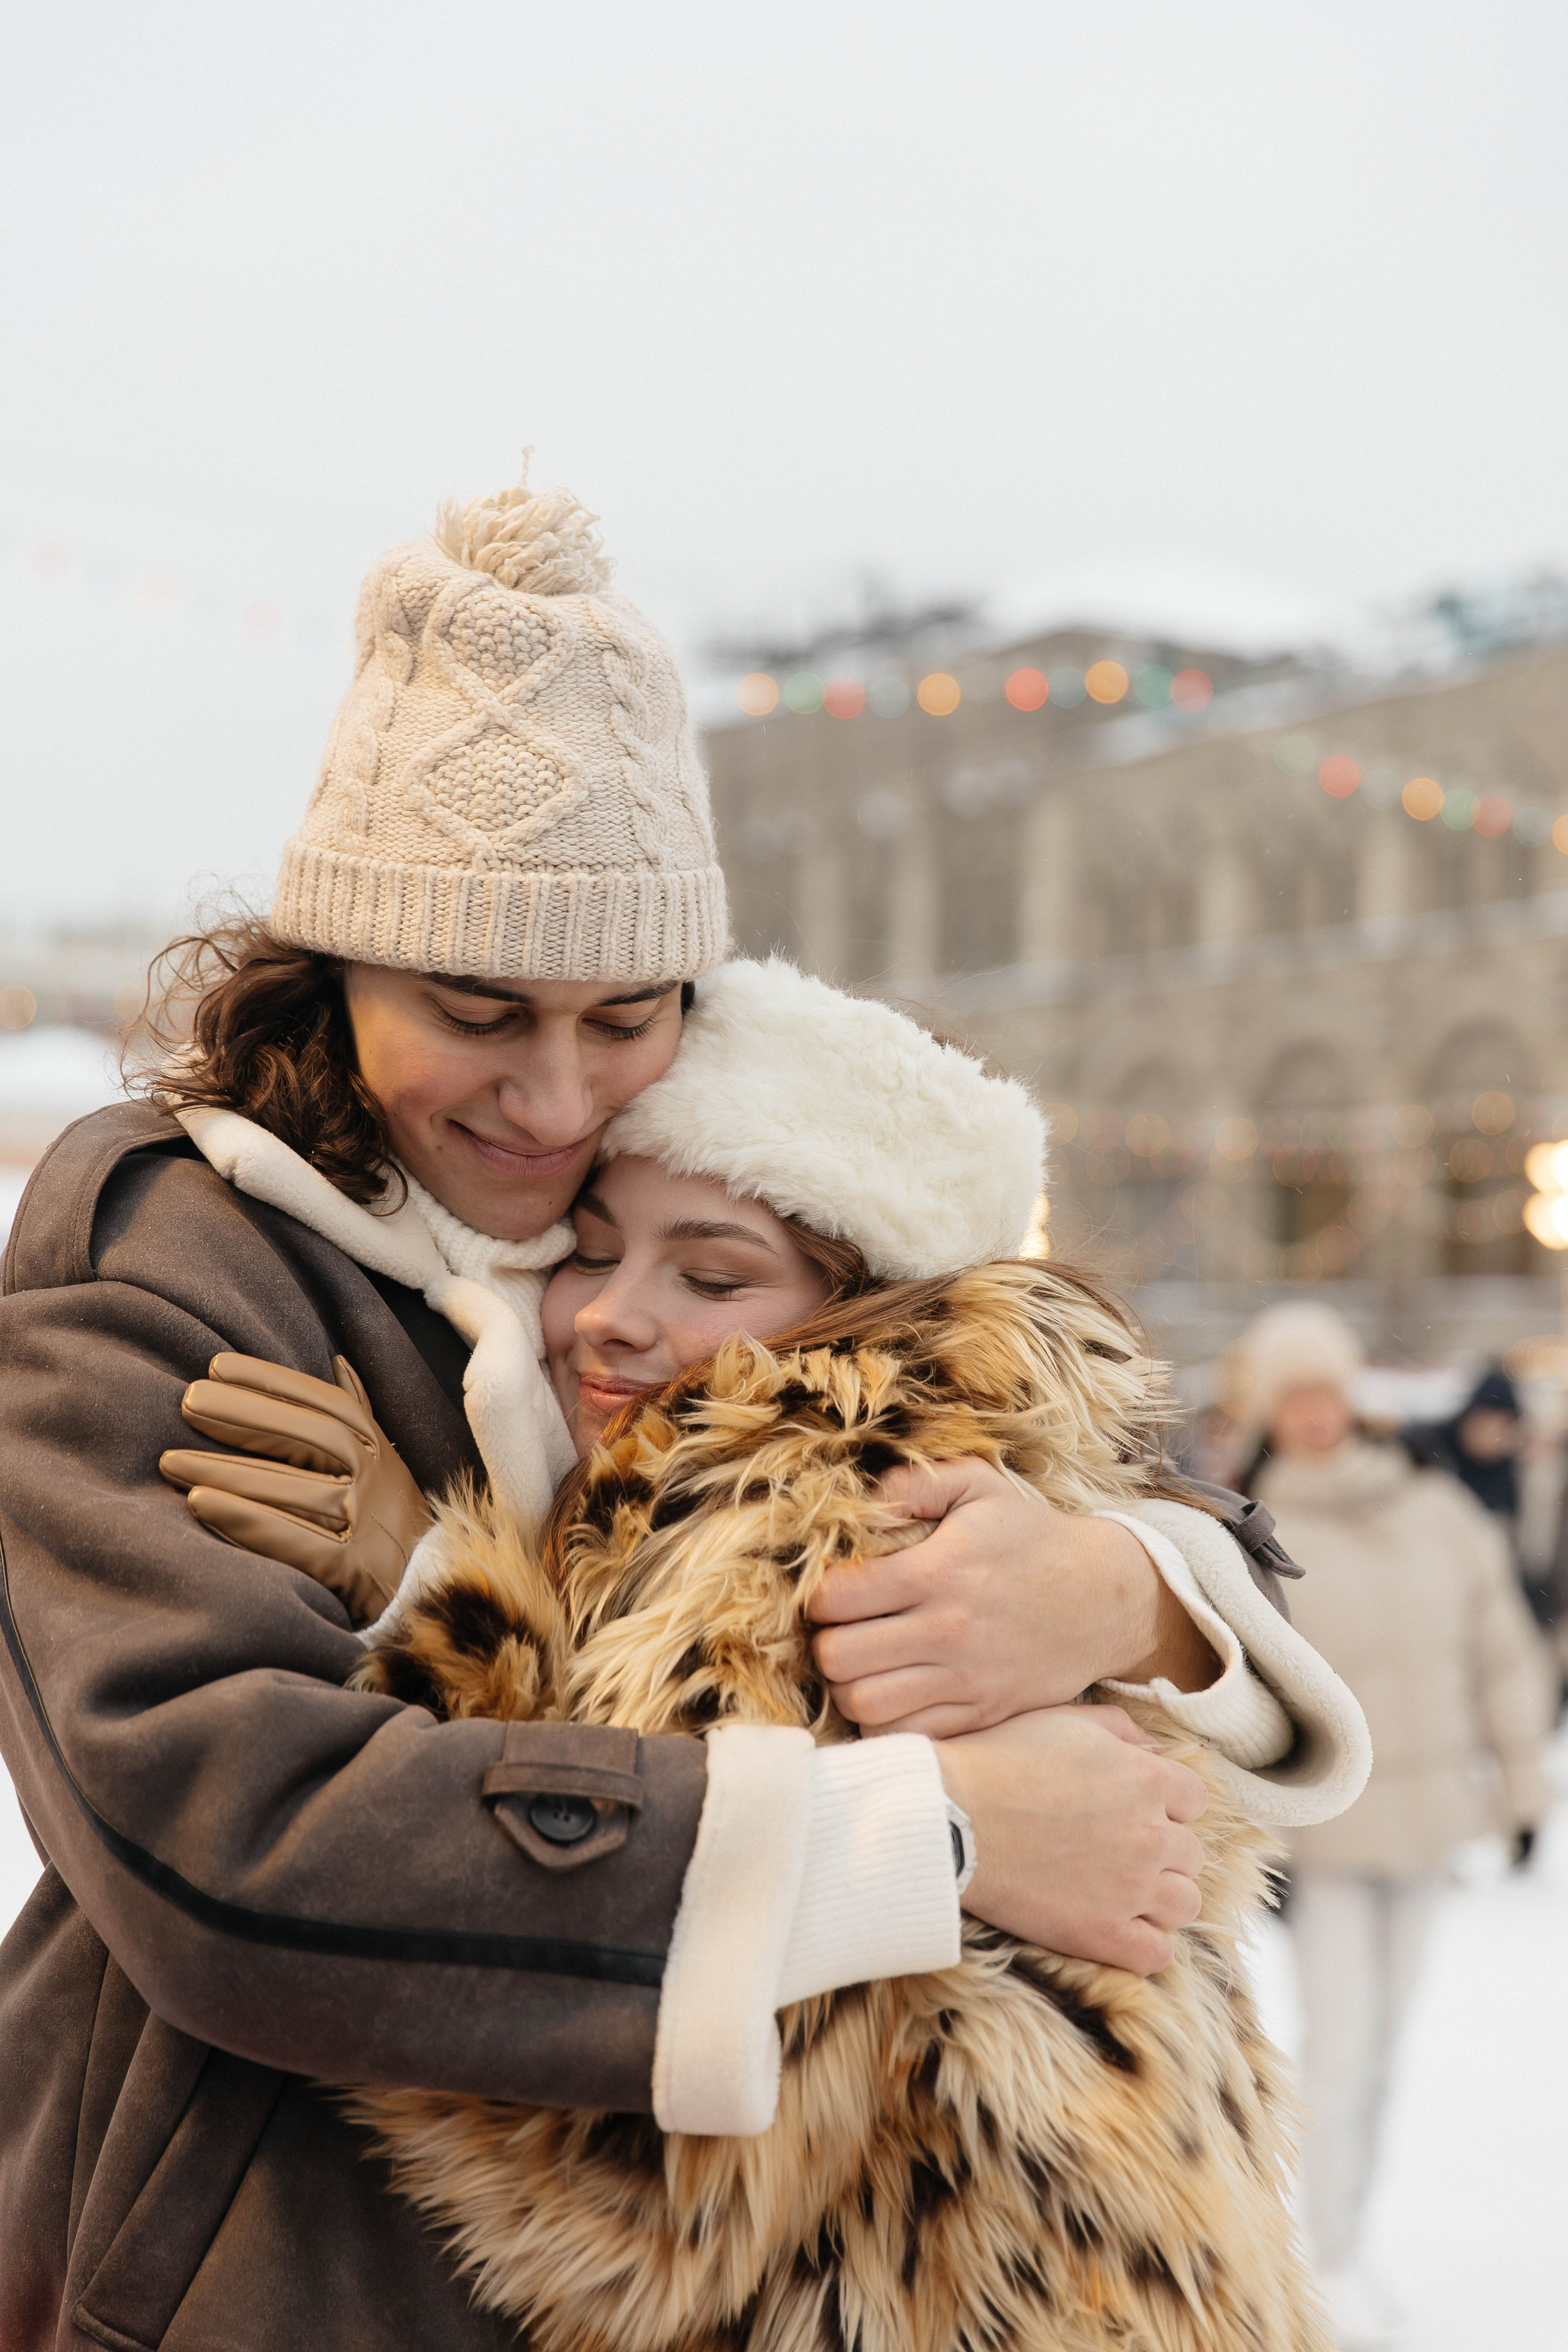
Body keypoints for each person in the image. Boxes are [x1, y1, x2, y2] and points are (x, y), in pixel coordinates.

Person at [0, 463, 1366, 2351]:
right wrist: (936, 1833)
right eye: (479, 1009)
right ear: (336, 965)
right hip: (291, 2268)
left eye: (626, 1013)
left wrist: (1123, 1588)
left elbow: (1025, 1421)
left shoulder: (658, 1191)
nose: (558, 1097)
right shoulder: (180, 1253)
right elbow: (225, 1848)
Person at [162, 955, 1343, 2352]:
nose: (613, 1311)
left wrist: (431, 1588)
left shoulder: (805, 1528)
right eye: (592, 1249)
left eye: (710, 1273)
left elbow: (619, 2183)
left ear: (866, 1315)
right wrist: (1139, 1587)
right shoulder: (978, 1481)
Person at [1234, 1300, 1555, 2351]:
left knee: (1385, 2055)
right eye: (1295, 1400)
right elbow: (1234, 1695)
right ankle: (1321, 2258)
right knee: (1334, 2049)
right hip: (1323, 1839)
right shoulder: (1250, 1533)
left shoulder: (1435, 1512)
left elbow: (1502, 1651)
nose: (1316, 1416)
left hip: (1426, 1824)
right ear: (1275, 1413)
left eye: (1328, 1393)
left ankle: (1351, 2240)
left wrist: (1521, 1796)